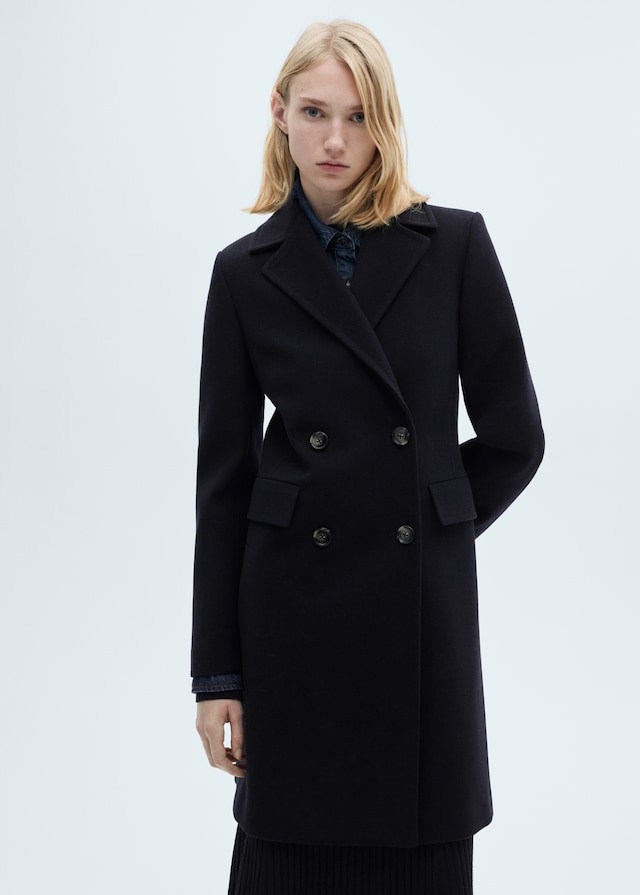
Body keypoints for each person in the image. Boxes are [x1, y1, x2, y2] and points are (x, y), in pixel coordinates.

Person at [191, 19, 544, 895]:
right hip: (289, 617)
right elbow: (223, 485)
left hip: (416, 617)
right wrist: (216, 675)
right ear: (280, 112)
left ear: (385, 122)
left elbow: (515, 438)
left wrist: (428, 523)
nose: (336, 140)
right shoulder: (244, 271)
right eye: (315, 112)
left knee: (418, 856)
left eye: (358, 116)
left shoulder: (454, 247)